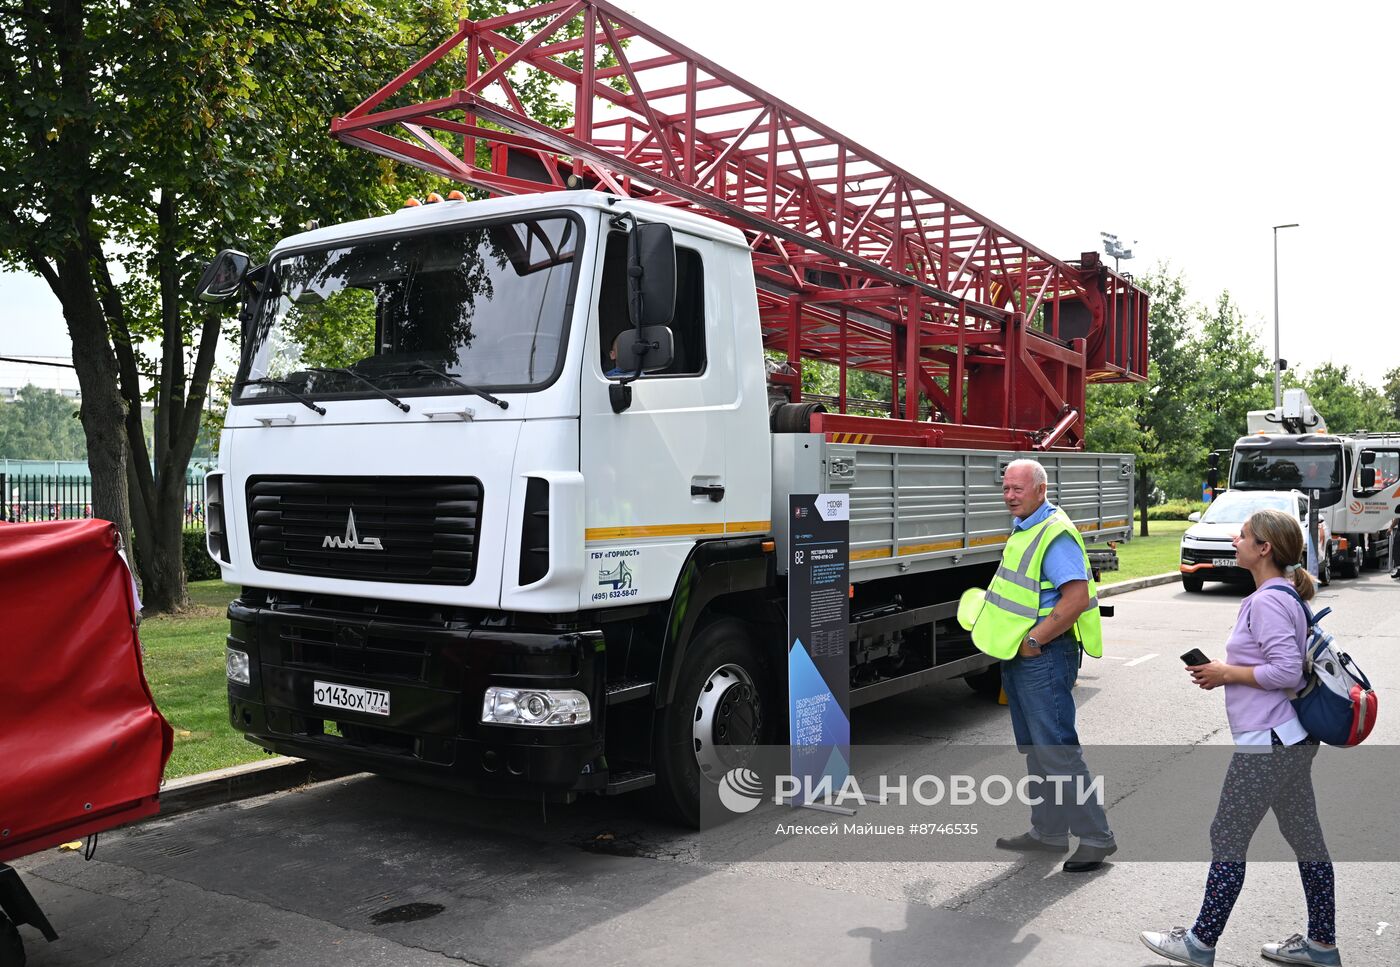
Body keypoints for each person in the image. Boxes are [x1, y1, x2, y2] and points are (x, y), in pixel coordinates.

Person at [1140, 508, 1337, 967]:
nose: (1236, 538)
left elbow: (1286, 671)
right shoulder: (1284, 593)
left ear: (1264, 549)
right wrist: (1225, 675)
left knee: (1227, 835)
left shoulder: (1268, 600)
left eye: (1244, 535)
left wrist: (1225, 672)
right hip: (1290, 739)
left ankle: (1199, 942)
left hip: (1268, 742)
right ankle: (1322, 946)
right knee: (1307, 840)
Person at [968, 458, 1116, 873]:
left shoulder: (1053, 534)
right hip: (1022, 655)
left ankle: (1096, 837)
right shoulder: (1027, 528)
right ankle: (1049, 832)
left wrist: (1035, 640)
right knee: (1036, 749)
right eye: (1006, 488)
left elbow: (1075, 598)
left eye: (1018, 488)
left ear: (1040, 490)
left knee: (1056, 749)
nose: (1010, 495)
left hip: (1044, 655)